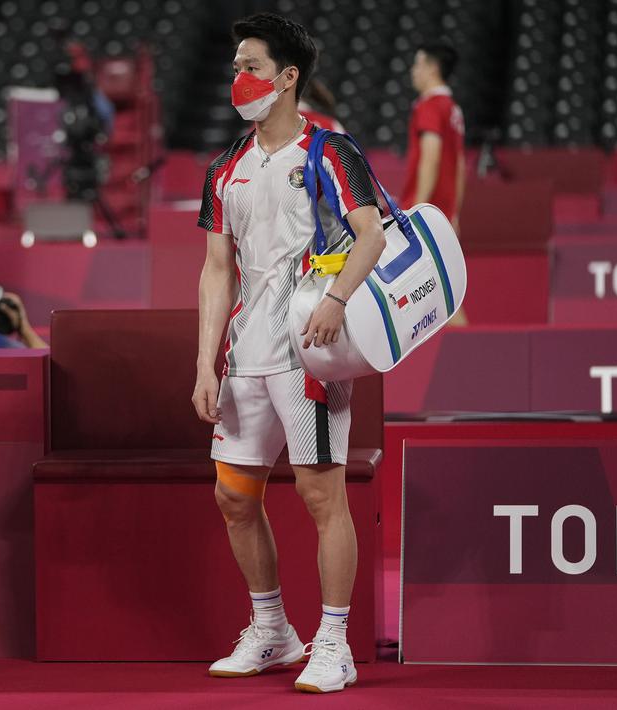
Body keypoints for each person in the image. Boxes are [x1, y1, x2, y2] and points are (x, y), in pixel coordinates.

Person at [192, 13, 387, 694]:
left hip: (310, 355)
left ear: (287, 77)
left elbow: (371, 234)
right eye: (235, 67)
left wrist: (336, 301)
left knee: (319, 494)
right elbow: (216, 269)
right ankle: (272, 629)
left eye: (250, 66)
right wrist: (204, 362)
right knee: (233, 496)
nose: (238, 79)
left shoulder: (330, 152)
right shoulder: (225, 169)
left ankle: (334, 642)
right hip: (244, 356)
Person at [401, 41, 465, 230]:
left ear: (432, 68)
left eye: (417, 64)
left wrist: (417, 211)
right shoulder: (452, 107)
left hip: (427, 213)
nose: (413, 71)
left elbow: (430, 158)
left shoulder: (430, 106)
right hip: (444, 213)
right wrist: (455, 212)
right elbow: (460, 165)